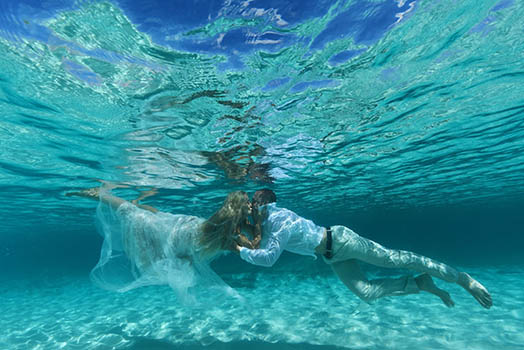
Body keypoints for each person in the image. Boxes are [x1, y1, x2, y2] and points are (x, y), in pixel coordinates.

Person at [231, 189, 493, 309]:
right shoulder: (267, 222)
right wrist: (243, 233)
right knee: (366, 293)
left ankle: (463, 280)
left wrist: (236, 247)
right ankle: (419, 284)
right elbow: (260, 242)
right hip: (332, 255)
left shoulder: (275, 217)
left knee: (395, 258)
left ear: (258, 204)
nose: (251, 211)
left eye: (253, 206)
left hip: (342, 241)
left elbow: (267, 259)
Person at [67, 184, 254, 302]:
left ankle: (136, 200)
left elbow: (252, 248)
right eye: (248, 203)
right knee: (135, 214)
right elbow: (252, 248)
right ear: (238, 206)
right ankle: (97, 193)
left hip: (179, 233)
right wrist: (255, 227)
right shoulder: (223, 227)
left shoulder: (233, 229)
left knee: (153, 215)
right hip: (176, 233)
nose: (252, 206)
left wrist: (253, 226)